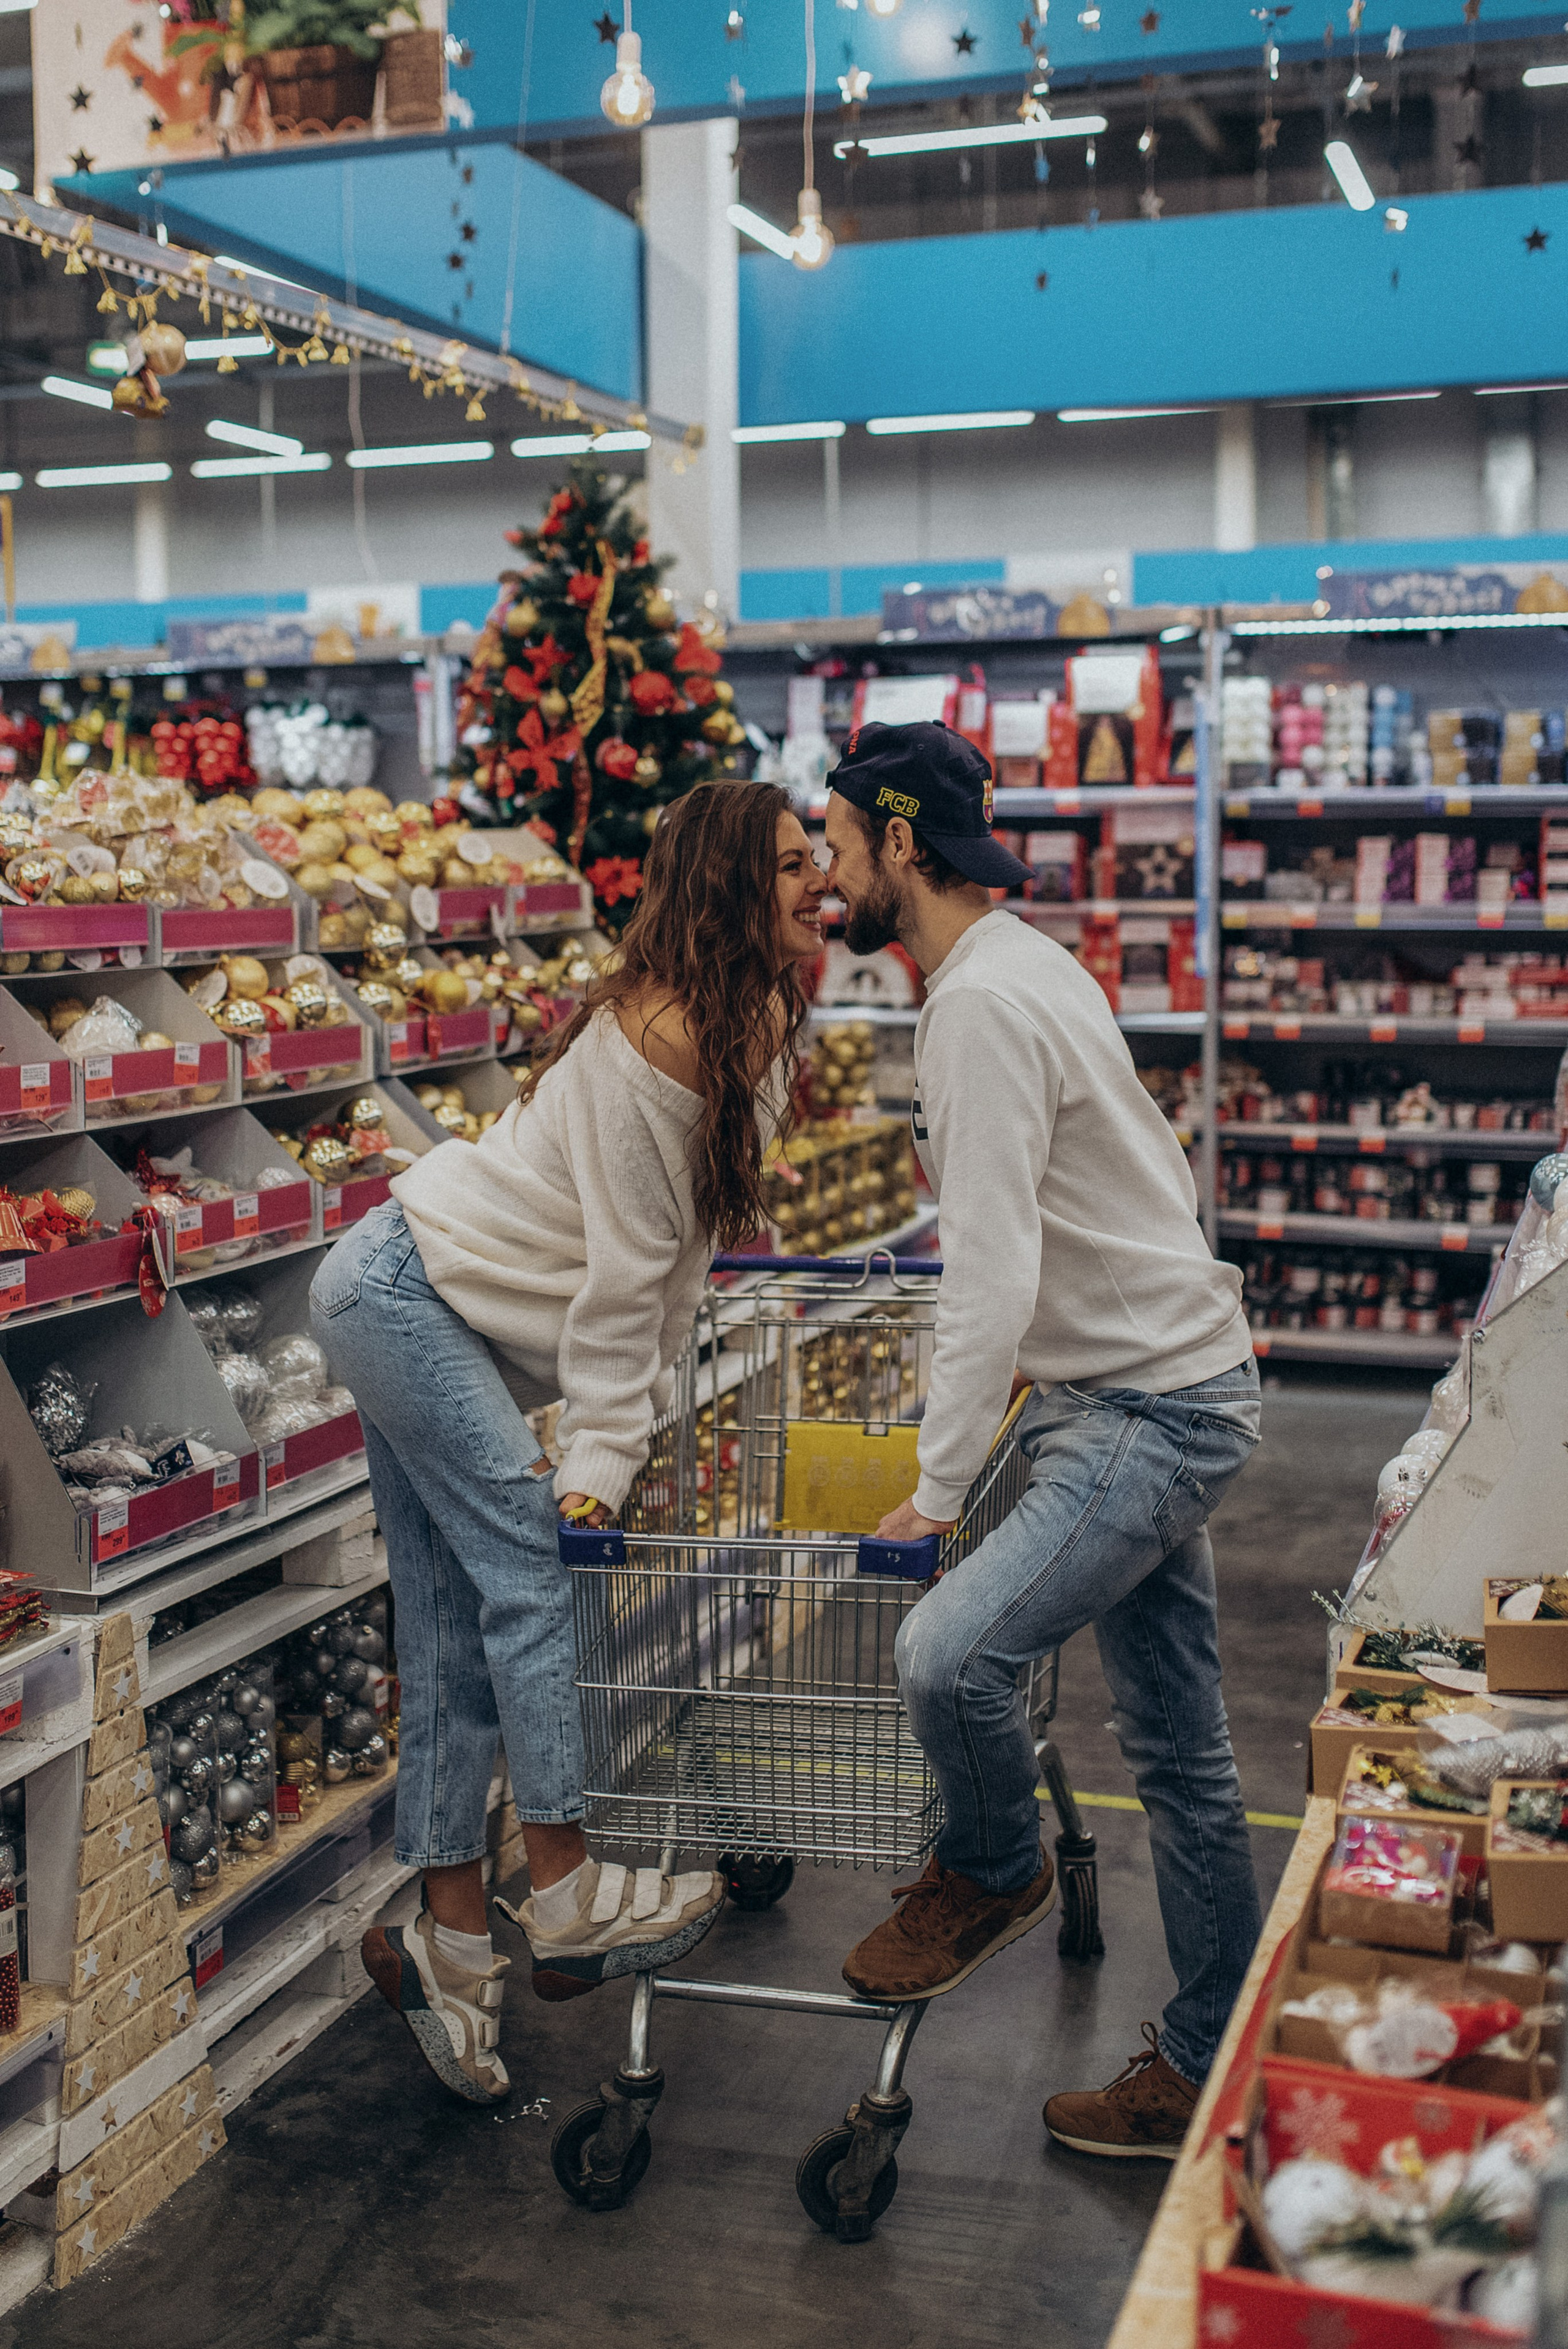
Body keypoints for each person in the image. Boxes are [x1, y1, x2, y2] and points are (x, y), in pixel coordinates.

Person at [309, 780, 827, 2105]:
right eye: (785, 866)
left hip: (441, 1310)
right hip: (399, 1290)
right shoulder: (651, 1042)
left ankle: (449, 1942)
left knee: (449, 1637)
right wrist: (600, 1460)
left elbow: (676, 1268)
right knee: (538, 1580)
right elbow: (624, 1280)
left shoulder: (749, 1022)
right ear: (723, 887)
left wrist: (625, 1426)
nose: (813, 880)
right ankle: (568, 1889)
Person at [823, 720, 1261, 2160]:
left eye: (833, 844)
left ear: (900, 843)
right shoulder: (1025, 962)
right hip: (1144, 1377)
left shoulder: (977, 1008)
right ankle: (1204, 2063)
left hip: (1143, 1406)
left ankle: (996, 1865)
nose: (825, 880)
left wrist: (936, 1490)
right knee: (1183, 1755)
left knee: (948, 1648)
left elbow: (991, 1273)